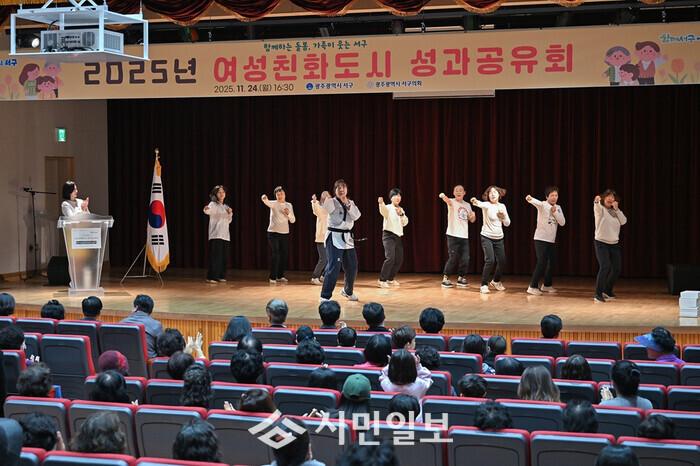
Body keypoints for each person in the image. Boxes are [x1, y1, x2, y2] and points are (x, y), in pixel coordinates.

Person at [320, 179, 361, 302]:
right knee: (334, 267)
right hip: (334, 237)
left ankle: (347, 291)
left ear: (347, 189)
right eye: (338, 188)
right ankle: (325, 296)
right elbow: (324, 206)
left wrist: (347, 204)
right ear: (335, 190)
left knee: (352, 266)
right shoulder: (331, 201)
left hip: (347, 238)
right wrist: (324, 197)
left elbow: (356, 216)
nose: (341, 189)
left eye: (343, 187)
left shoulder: (350, 202)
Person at [470, 186, 511, 294]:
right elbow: (479, 203)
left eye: (495, 192)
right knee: (490, 260)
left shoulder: (502, 206)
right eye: (490, 193)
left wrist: (503, 217)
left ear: (499, 195)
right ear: (488, 195)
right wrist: (474, 201)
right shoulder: (487, 205)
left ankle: (496, 281)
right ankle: (484, 285)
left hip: (499, 238)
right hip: (486, 236)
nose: (492, 194)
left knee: (502, 261)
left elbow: (507, 224)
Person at [525, 188, 566, 295]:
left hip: (551, 240)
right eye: (552, 195)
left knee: (551, 262)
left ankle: (547, 285)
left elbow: (562, 223)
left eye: (556, 195)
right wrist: (530, 199)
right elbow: (536, 202)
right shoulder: (543, 205)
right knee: (542, 262)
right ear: (547, 197)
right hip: (540, 238)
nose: (554, 197)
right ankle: (532, 286)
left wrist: (555, 212)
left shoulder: (558, 208)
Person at [438, 185, 476, 288]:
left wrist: (473, 216)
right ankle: (446, 278)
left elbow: (472, 220)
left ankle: (461, 278)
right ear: (454, 193)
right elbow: (446, 200)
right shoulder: (451, 201)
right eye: (456, 190)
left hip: (464, 236)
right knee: (453, 257)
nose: (458, 192)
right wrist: (443, 196)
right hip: (452, 234)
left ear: (464, 193)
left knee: (465, 258)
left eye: (460, 190)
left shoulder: (467, 205)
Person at [593, 189, 627, 303]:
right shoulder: (600, 209)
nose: (610, 198)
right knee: (605, 266)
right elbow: (597, 207)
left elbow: (624, 221)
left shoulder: (616, 212)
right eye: (608, 196)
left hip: (614, 243)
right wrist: (596, 201)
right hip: (601, 242)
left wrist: (617, 210)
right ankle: (598, 294)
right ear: (604, 198)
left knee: (617, 268)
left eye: (612, 197)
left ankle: (607, 290)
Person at [262, 186, 296, 284]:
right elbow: (266, 201)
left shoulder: (289, 205)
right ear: (276, 196)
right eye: (278, 194)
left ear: (285, 195)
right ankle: (272, 277)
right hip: (273, 233)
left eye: (281, 194)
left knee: (284, 255)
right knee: (276, 253)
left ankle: (280, 276)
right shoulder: (274, 203)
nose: (280, 196)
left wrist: (288, 214)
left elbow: (293, 220)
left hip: (284, 233)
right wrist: (264, 197)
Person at [378, 188, 409, 288]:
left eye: (399, 196)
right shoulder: (388, 207)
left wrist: (401, 214)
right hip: (388, 236)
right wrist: (381, 203)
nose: (398, 197)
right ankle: (382, 279)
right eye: (395, 195)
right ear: (391, 198)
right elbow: (383, 211)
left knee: (399, 259)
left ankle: (390, 279)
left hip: (397, 236)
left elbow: (405, 222)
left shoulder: (401, 209)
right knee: (390, 258)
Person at [203, 185, 233, 283]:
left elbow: (229, 221)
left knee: (224, 257)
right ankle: (211, 277)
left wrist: (229, 213)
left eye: (223, 192)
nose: (221, 194)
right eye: (219, 192)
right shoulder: (213, 204)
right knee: (216, 256)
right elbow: (207, 211)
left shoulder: (226, 206)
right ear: (215, 194)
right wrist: (206, 209)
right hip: (216, 234)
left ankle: (220, 275)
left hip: (225, 235)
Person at [311, 191, 331, 285]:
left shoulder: (330, 211)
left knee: (331, 259)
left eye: (328, 196)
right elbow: (316, 210)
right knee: (323, 259)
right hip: (321, 238)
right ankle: (315, 277)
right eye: (325, 196)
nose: (327, 197)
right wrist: (314, 202)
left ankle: (323, 276)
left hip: (329, 238)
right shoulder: (320, 209)